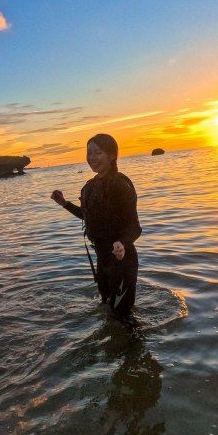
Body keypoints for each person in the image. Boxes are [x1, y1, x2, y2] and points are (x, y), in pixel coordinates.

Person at [52, 133, 142, 316]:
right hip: (102, 260)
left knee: (123, 316)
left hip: (121, 260)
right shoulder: (90, 186)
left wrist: (122, 244)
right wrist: (65, 204)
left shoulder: (121, 185)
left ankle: (133, 344)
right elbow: (88, 217)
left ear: (112, 155)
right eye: (89, 153)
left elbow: (135, 227)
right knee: (107, 309)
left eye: (98, 152)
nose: (92, 158)